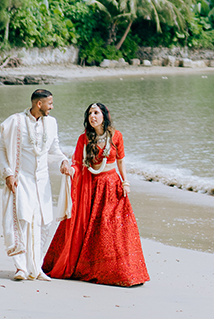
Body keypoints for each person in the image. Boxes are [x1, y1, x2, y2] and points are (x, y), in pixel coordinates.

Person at [43, 102, 149, 286]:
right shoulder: (84, 139)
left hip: (111, 185)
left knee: (112, 229)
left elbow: (122, 161)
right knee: (90, 227)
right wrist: (70, 169)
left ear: (104, 116)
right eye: (90, 113)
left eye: (96, 113)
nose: (93, 116)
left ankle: (121, 272)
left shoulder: (116, 136)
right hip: (89, 187)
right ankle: (89, 267)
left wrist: (125, 182)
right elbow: (77, 162)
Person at [0, 89, 72, 281]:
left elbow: (54, 148)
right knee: (22, 219)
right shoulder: (16, 121)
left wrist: (63, 161)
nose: (52, 107)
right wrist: (8, 173)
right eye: (50, 103)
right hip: (21, 178)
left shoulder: (52, 123)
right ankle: (21, 268)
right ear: (39, 104)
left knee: (42, 222)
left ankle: (36, 267)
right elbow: (2, 147)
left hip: (42, 180)